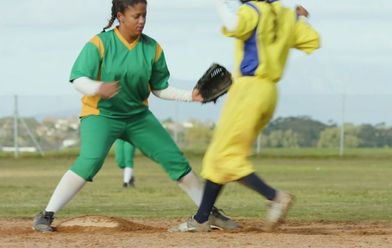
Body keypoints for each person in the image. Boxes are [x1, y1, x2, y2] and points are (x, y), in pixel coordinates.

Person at [33, 0, 238, 232]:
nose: (141, 21)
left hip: (138, 117)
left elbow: (159, 88)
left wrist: (191, 96)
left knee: (175, 160)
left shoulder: (152, 48)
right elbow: (78, 78)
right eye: (136, 16)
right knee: (90, 162)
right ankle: (46, 216)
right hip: (102, 114)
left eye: (144, 15)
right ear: (120, 16)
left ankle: (208, 213)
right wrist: (98, 88)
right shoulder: (100, 44)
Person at [171, 0, 320, 232]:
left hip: (248, 91)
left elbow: (233, 23)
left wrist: (219, 3)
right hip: (268, 93)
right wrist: (299, 19)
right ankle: (202, 219)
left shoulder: (253, 10)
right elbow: (312, 40)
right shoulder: (285, 15)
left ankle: (275, 197)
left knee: (227, 156)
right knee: (218, 156)